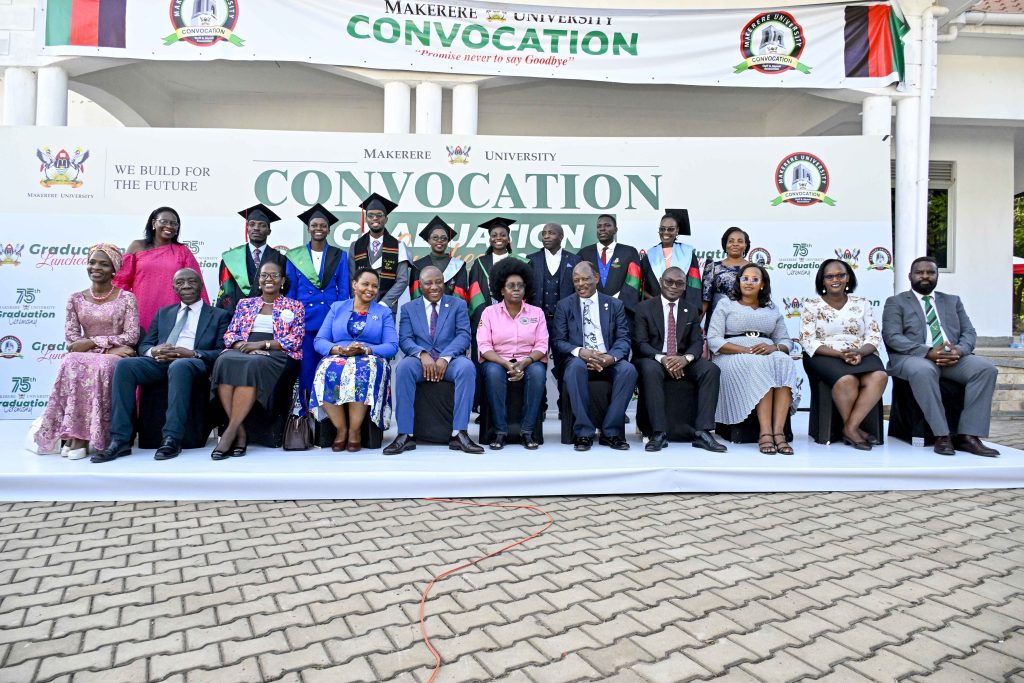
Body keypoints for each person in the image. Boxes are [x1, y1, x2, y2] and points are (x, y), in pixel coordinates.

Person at [92, 268, 231, 463]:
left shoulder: (219, 315)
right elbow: (146, 344)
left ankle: (171, 438)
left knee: (180, 366)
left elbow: (222, 351)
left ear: (200, 285)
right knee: (125, 366)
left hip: (194, 363)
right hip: (161, 361)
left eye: (191, 281)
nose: (186, 286)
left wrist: (191, 353)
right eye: (180, 283)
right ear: (174, 288)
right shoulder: (164, 313)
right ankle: (120, 440)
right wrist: (153, 351)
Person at [882, 256, 999, 457]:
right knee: (925, 371)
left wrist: (958, 351)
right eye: (920, 272)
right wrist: (928, 352)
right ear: (910, 276)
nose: (925, 276)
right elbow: (892, 337)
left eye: (931, 272)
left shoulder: (952, 301)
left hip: (951, 356)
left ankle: (968, 436)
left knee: (986, 369)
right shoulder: (896, 302)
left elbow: (969, 332)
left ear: (937, 276)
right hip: (912, 357)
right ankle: (942, 435)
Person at [34, 244, 140, 458]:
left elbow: (131, 336)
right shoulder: (75, 298)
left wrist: (92, 343)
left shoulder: (126, 298)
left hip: (114, 357)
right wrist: (100, 346)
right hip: (105, 351)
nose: (96, 267)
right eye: (92, 262)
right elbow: (73, 339)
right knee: (70, 360)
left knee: (101, 364)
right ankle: (73, 435)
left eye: (103, 263)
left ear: (114, 269)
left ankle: (83, 438)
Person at [384, 266, 482, 455]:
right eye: (428, 283)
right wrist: (422, 354)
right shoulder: (409, 308)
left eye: (438, 282)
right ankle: (405, 434)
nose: (434, 287)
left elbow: (463, 335)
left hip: (451, 360)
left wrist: (445, 357)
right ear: (420, 285)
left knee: (467, 367)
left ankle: (459, 433)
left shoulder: (458, 304)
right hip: (420, 361)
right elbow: (405, 339)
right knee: (403, 368)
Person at [211, 260, 304, 460]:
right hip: (243, 348)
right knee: (224, 361)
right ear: (259, 281)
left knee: (253, 363)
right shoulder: (245, 303)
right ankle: (240, 430)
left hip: (277, 353)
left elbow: (294, 340)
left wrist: (261, 345)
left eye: (274, 275)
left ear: (282, 281)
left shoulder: (294, 306)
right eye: (264, 275)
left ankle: (230, 432)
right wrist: (241, 346)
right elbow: (230, 334)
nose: (268, 279)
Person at [707, 263, 799, 455]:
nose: (749, 282)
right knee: (760, 363)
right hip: (732, 354)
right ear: (738, 281)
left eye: (755, 279)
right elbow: (714, 339)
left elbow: (786, 341)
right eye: (745, 278)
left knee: (784, 362)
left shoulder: (772, 308)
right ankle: (765, 433)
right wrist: (746, 350)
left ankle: (778, 433)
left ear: (763, 284)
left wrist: (773, 347)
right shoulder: (726, 304)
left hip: (765, 352)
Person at [633, 267, 726, 453]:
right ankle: (658, 433)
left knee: (711, 370)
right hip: (654, 358)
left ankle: (703, 432)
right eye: (669, 281)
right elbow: (640, 343)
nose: (673, 286)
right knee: (650, 370)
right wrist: (663, 359)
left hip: (682, 359)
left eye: (679, 283)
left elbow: (697, 343)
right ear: (661, 281)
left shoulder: (691, 310)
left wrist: (686, 358)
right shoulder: (644, 308)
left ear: (685, 286)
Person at [800, 259, 888, 451]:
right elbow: (808, 340)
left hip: (860, 352)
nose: (835, 279)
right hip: (824, 355)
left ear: (848, 277)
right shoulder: (812, 305)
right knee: (846, 380)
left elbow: (873, 335)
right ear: (822, 280)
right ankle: (855, 430)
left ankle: (850, 428)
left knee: (879, 376)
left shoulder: (862, 303)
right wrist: (840, 355)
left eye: (841, 275)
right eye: (829, 276)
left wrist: (859, 351)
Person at [552, 261, 638, 451]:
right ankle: (584, 433)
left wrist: (610, 358)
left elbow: (624, 338)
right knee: (574, 368)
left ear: (596, 278)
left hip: (607, 358)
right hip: (579, 359)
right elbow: (558, 341)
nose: (580, 284)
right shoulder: (564, 305)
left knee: (628, 370)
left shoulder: (614, 304)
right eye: (576, 280)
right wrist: (581, 352)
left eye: (585, 279)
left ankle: (611, 432)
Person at [310, 268, 398, 452]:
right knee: (325, 371)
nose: (370, 289)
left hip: (370, 357)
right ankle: (341, 429)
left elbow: (391, 346)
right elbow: (319, 340)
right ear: (354, 284)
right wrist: (336, 349)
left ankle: (354, 431)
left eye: (375, 286)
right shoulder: (337, 308)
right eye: (365, 284)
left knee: (363, 371)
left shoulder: (383, 312)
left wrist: (366, 350)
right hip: (339, 354)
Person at [285, 203, 350, 416]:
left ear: (329, 229)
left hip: (330, 319)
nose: (318, 228)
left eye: (323, 225)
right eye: (314, 225)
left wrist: (339, 318)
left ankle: (330, 416)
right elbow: (291, 291)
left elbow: (344, 290)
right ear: (308, 228)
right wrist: (292, 319)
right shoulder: (295, 256)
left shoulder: (339, 255)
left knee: (331, 370)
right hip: (305, 320)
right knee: (307, 370)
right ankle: (306, 414)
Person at [477, 258, 548, 450]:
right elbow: (484, 346)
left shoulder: (537, 313)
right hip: (497, 361)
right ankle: (500, 431)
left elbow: (542, 345)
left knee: (538, 372)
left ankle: (527, 431)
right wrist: (506, 364)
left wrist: (524, 363)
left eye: (520, 285)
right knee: (492, 373)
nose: (516, 289)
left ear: (526, 288)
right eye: (511, 286)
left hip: (528, 360)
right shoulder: (489, 313)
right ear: (501, 289)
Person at [113, 206, 209, 331]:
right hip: (141, 308)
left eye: (174, 223)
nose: (169, 226)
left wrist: (206, 316)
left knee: (167, 347)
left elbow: (196, 283)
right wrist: (115, 308)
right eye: (164, 221)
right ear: (154, 223)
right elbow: (121, 281)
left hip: (172, 310)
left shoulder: (183, 251)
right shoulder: (137, 246)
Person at [215, 203, 288, 316]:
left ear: (269, 231)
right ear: (247, 228)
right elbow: (226, 291)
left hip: (269, 317)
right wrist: (231, 317)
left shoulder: (280, 259)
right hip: (236, 317)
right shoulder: (231, 258)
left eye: (262, 225)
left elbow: (284, 290)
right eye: (252, 224)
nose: (256, 228)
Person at [347, 193, 411, 314]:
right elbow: (352, 278)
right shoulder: (355, 246)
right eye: (370, 215)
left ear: (386, 219)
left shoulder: (398, 246)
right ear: (366, 219)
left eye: (379, 215)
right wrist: (357, 302)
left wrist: (384, 303)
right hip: (360, 308)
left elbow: (402, 280)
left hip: (386, 309)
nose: (375, 218)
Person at [577, 214, 642, 320]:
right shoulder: (584, 253)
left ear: (615, 229)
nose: (602, 228)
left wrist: (616, 300)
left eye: (607, 225)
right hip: (592, 310)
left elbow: (634, 281)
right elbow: (578, 281)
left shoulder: (629, 252)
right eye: (599, 226)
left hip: (621, 309)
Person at [640, 209, 702, 310]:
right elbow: (640, 287)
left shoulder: (688, 253)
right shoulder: (650, 255)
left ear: (677, 230)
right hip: (655, 309)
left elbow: (694, 286)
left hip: (682, 309)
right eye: (662, 229)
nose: (665, 232)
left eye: (670, 229)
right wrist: (655, 301)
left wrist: (688, 310)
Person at [410, 216, 469, 303]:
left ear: (447, 241)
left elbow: (460, 293)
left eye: (444, 238)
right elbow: (416, 294)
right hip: (425, 312)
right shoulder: (418, 266)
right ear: (429, 240)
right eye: (435, 238)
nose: (440, 241)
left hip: (451, 312)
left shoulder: (458, 266)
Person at [702, 226, 750, 330]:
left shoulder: (755, 269)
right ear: (725, 245)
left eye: (740, 241)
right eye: (731, 241)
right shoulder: (712, 267)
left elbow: (762, 298)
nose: (735, 244)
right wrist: (694, 326)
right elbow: (706, 300)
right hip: (717, 325)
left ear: (745, 245)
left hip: (747, 323)